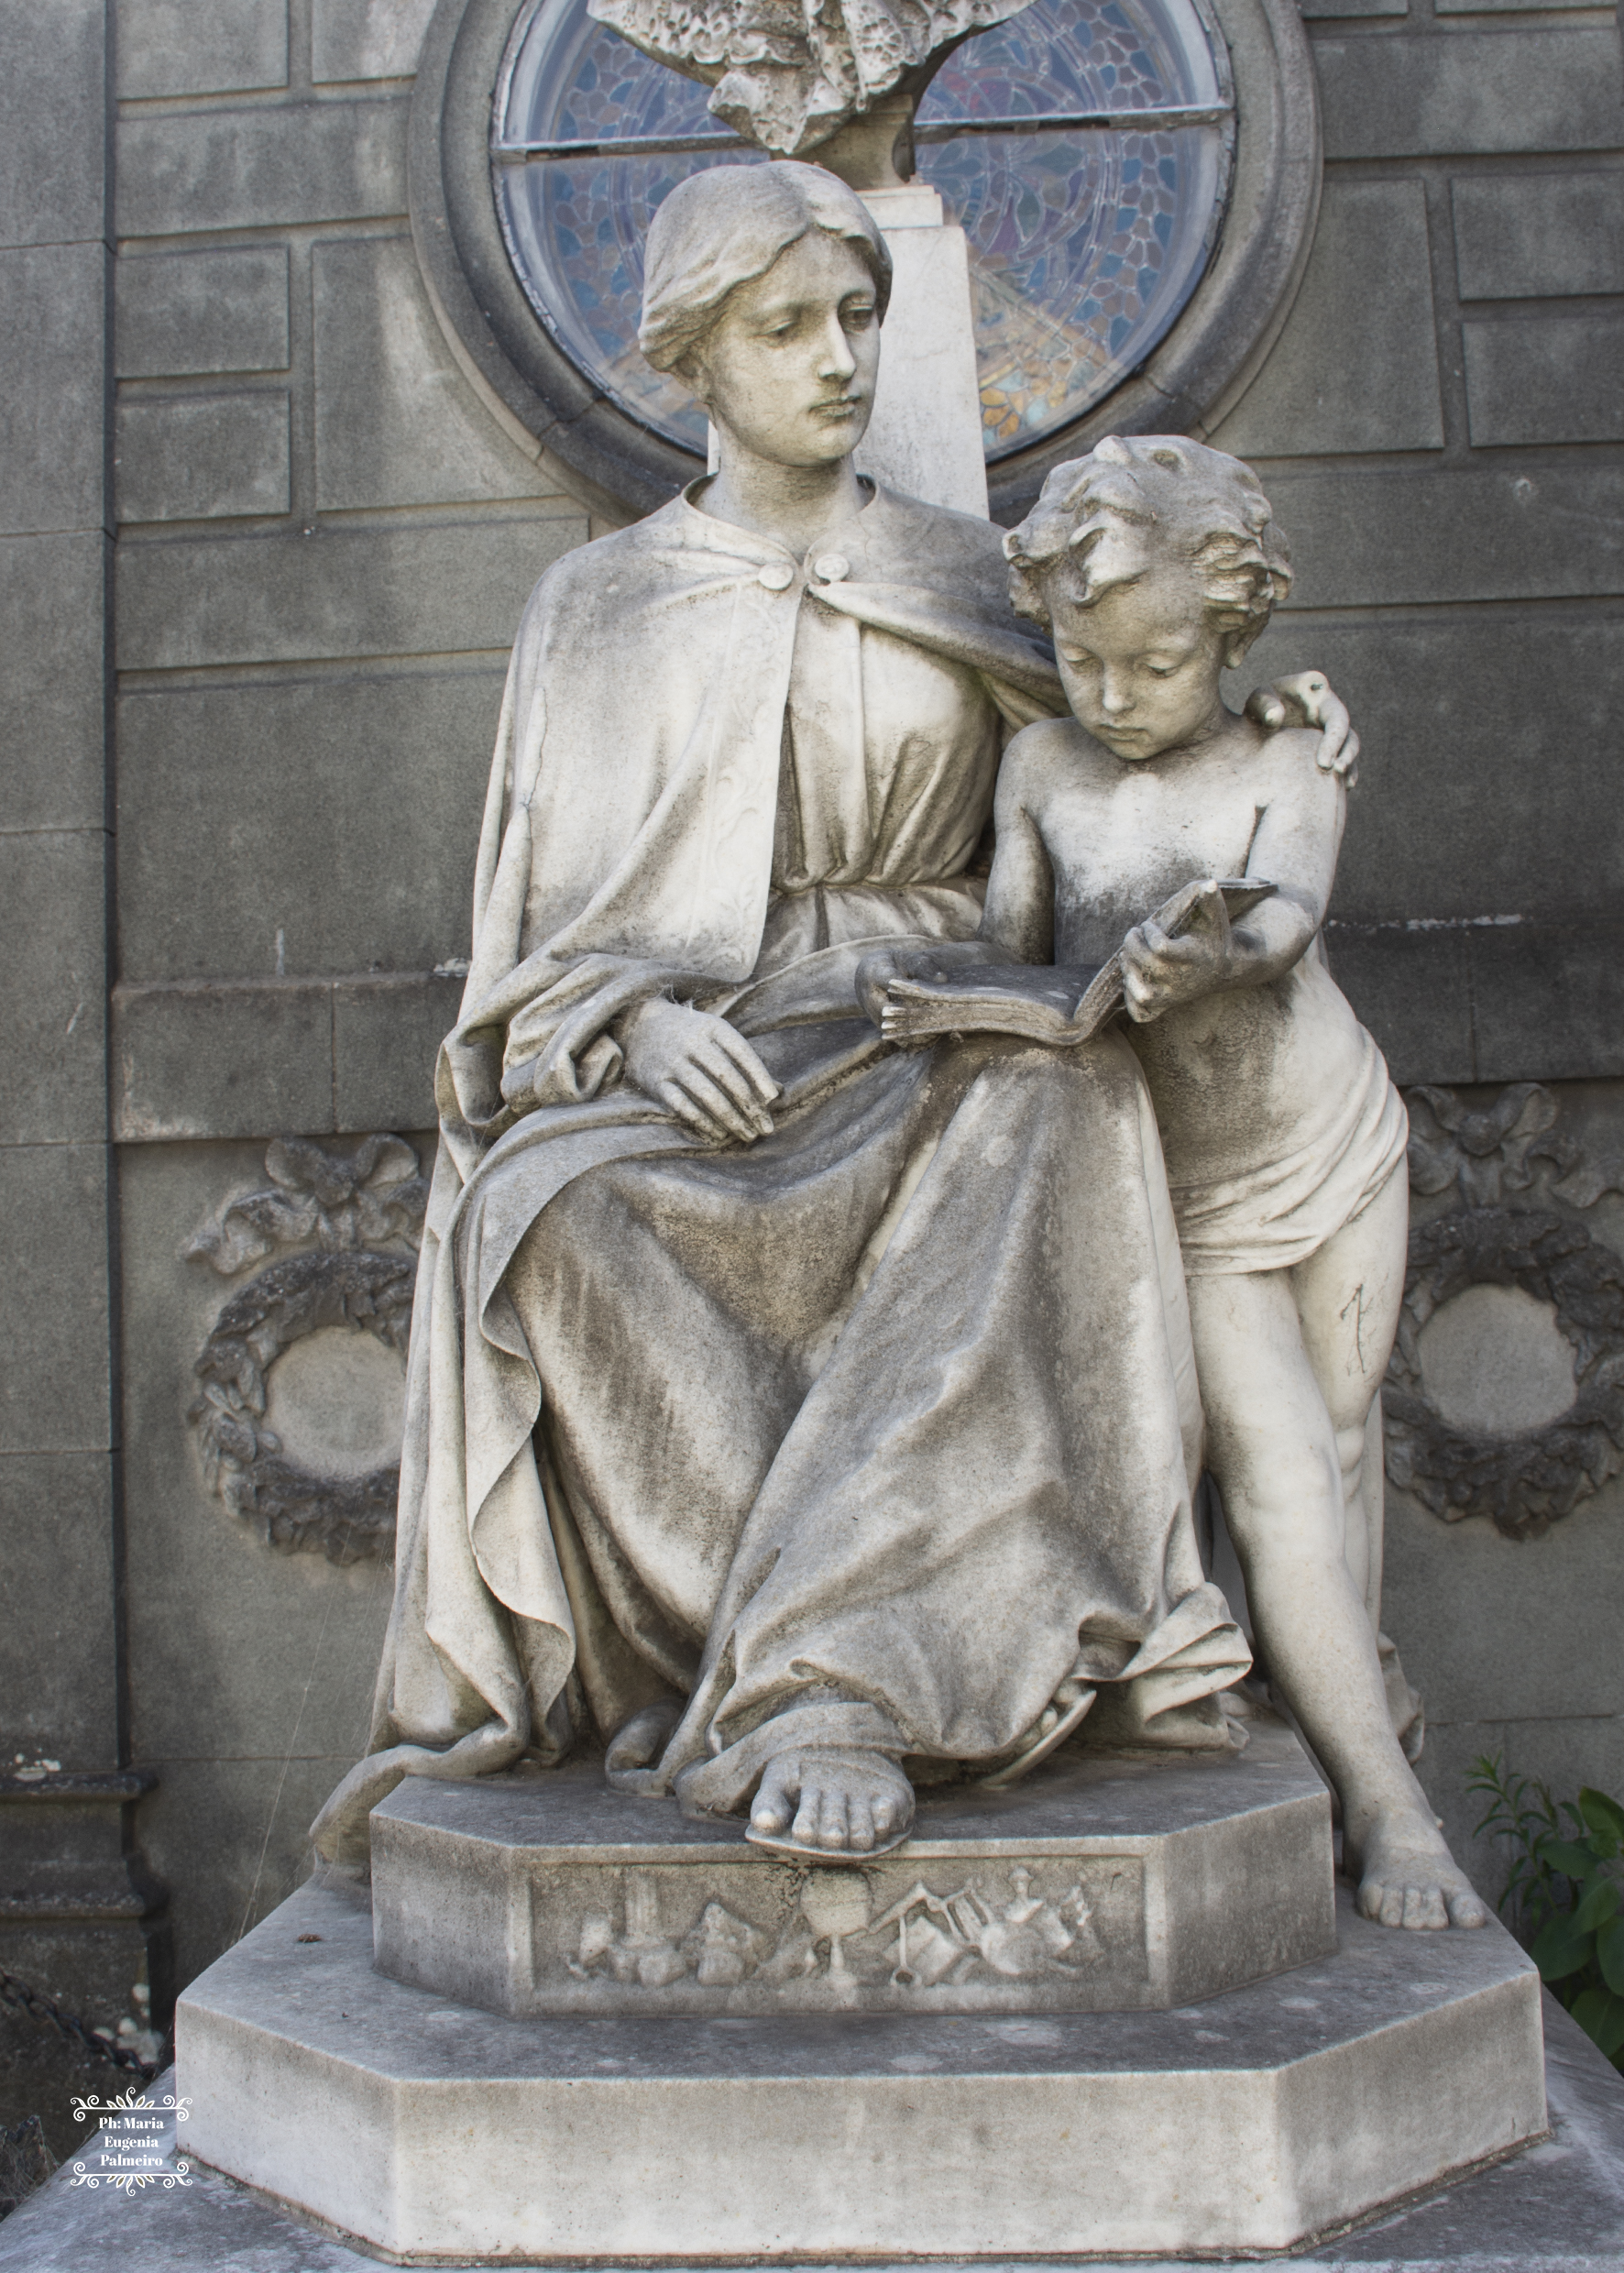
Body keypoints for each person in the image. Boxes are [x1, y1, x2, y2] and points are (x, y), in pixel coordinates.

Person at [313, 167, 1353, 1870]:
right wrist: (635, 1026)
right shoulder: (599, 608)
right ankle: (747, 1651)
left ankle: (843, 1674)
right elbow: (530, 950)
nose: (837, 361)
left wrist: (1281, 725)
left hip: (933, 1019)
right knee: (548, 1209)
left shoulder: (970, 576)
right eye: (783, 327)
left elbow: (1140, 722)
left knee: (1059, 1111)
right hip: (706, 1042)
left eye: (856, 319)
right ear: (692, 361)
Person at [882, 436, 1484, 1927]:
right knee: (1279, 1471)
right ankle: (1389, 1809)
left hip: (1335, 1143)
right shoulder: (1041, 767)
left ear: (1231, 631)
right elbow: (1016, 964)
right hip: (1194, 1199)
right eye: (1085, 662)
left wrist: (1218, 949)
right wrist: (969, 995)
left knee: (1343, 1455)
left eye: (1156, 666)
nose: (1116, 696)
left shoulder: (1285, 755)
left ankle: (1334, 1723)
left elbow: (1287, 914)